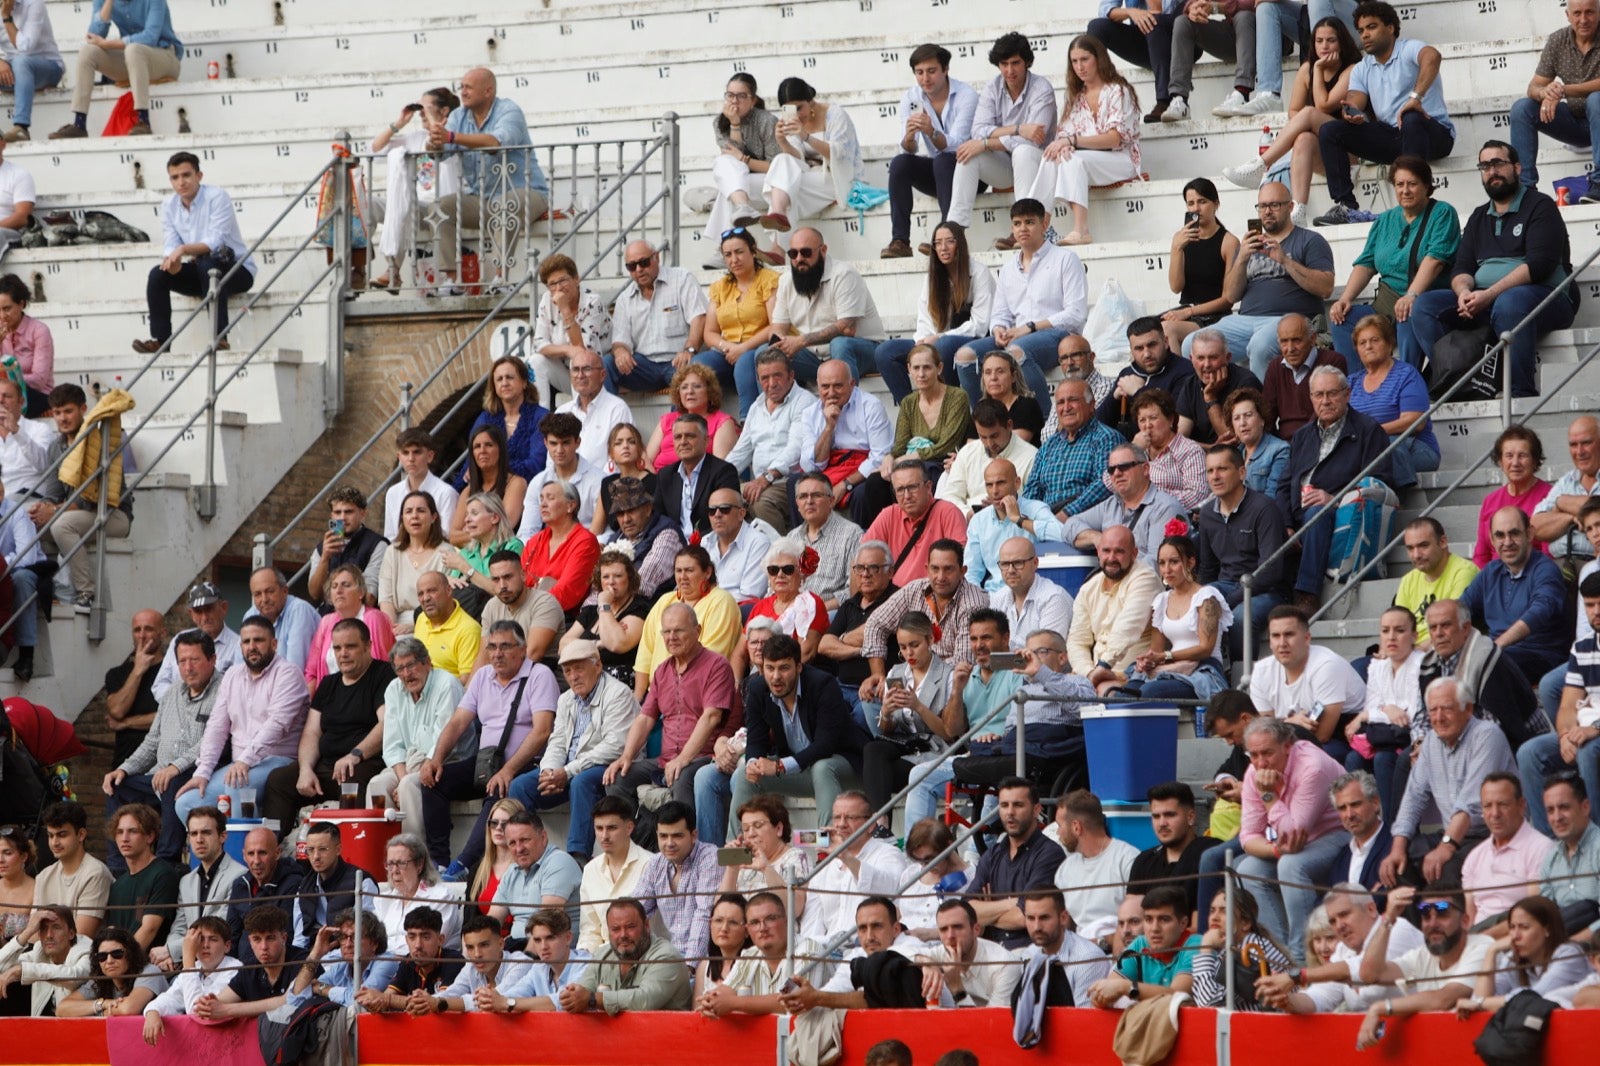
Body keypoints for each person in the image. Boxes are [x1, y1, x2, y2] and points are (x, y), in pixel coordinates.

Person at [1409, 140, 1578, 399]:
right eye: (1485, 166)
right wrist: (1464, 291)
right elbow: (1462, 267)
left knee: (1511, 302)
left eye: (1498, 163)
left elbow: (1539, 265)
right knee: (1424, 306)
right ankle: (1459, 381)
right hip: (1486, 301)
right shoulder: (1479, 217)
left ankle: (1520, 391)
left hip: (1546, 297)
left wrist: (1489, 295)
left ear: (1517, 168)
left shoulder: (1540, 206)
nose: (1492, 171)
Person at [424, 620, 558, 877]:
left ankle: (461, 866)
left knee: (498, 789)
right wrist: (435, 758)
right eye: (492, 647)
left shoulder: (539, 675)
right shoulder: (483, 676)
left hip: (524, 765)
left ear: (522, 649)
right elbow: (458, 722)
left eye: (505, 647)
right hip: (486, 763)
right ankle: (439, 861)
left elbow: (542, 731)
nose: (497, 654)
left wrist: (508, 770)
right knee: (433, 782)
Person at [1315, 2, 1455, 227]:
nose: (1365, 35)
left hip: (1434, 133)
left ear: (1391, 28)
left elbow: (1433, 57)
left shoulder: (1408, 48)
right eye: (1361, 30)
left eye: (1371, 27)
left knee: (1411, 118)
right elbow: (1354, 100)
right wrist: (1350, 112)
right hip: (1394, 136)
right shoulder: (1363, 67)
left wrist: (1415, 99)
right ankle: (1346, 207)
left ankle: (1414, 203)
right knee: (1331, 130)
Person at [1224, 15, 1362, 222]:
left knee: (1309, 114)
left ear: (1341, 42)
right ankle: (1298, 209)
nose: (1324, 46)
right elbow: (1293, 112)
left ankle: (1261, 164)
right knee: (1303, 138)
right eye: (1319, 41)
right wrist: (1309, 125)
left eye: (1331, 40)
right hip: (1323, 151)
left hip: (1350, 150)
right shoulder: (1306, 69)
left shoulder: (1352, 69)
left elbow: (1323, 105)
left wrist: (1318, 70)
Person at [509, 640, 639, 860]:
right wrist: (549, 771)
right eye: (567, 671)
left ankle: (577, 857)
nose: (573, 676)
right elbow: (557, 741)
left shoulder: (618, 694)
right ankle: (530, 852)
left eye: (579, 668)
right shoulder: (566, 699)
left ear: (597, 666)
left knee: (582, 782)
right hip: (568, 768)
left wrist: (567, 772)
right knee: (520, 786)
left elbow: (614, 746)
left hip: (608, 766)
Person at [1380, 677, 1517, 887]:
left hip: (1491, 835)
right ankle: (1413, 920)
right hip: (1452, 835)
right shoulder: (1431, 742)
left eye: (1447, 709)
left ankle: (1438, 914)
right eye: (1433, 710)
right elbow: (1413, 798)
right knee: (1398, 866)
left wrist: (1445, 848)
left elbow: (1472, 803)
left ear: (1468, 709)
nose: (1439, 717)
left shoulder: (1487, 736)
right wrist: (1397, 849)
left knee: (1444, 870)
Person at [263, 618, 392, 834]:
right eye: (337, 648)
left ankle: (350, 852)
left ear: (368, 646)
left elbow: (386, 723)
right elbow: (312, 732)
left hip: (364, 763)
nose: (343, 653)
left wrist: (355, 755)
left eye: (350, 646)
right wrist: (305, 769)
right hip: (326, 767)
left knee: (352, 780)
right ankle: (271, 849)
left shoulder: (383, 674)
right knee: (278, 780)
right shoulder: (328, 684)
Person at [1281, 365, 1395, 610]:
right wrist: (1286, 524)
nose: (1325, 401)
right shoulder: (1302, 436)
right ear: (1311, 398)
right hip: (1297, 513)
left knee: (1317, 514)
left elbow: (1380, 480)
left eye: (1332, 393)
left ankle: (1307, 595)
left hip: (1341, 510)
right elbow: (1283, 484)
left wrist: (1334, 498)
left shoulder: (1368, 430)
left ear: (1347, 394)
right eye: (1319, 395)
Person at [103, 630, 218, 872]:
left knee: (171, 783)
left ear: (212, 659)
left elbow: (214, 740)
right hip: (160, 774)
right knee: (116, 786)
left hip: (198, 773)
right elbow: (152, 741)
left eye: (194, 660)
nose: (188, 667)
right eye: (182, 661)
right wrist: (123, 768)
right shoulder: (172, 693)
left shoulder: (225, 689)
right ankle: (118, 866)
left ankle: (166, 862)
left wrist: (174, 767)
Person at [952, 198, 1084, 411]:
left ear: (1044, 225)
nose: (1023, 228)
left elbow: (1075, 314)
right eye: (1017, 223)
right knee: (964, 356)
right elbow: (1000, 314)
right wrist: (997, 330)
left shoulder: (1066, 259)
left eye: (1029, 222)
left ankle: (1045, 423)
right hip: (1017, 336)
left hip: (1057, 334)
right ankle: (985, 421)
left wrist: (1029, 327)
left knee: (1016, 352)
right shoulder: (1008, 269)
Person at [1235, 717, 1351, 955]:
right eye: (1253, 755)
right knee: (1246, 868)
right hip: (1297, 844)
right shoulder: (1253, 772)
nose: (1260, 763)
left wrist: (1268, 794)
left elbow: (1293, 832)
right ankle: (1279, 954)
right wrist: (1275, 850)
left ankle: (1301, 954)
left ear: (1287, 746)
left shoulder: (1312, 766)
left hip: (1339, 835)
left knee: (1290, 865)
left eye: (1267, 753)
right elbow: (1248, 837)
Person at [1327, 158, 1459, 367]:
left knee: (1408, 312)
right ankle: (1356, 388)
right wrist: (1345, 298)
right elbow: (1367, 262)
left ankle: (1407, 382)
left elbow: (1435, 259)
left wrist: (1411, 295)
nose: (1405, 190)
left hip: (1424, 299)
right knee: (1342, 319)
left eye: (1412, 184)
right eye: (1399, 184)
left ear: (1427, 186)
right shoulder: (1385, 220)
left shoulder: (1442, 213)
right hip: (1386, 304)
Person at [175, 618, 307, 823]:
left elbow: (277, 725)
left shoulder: (288, 674)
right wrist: (202, 772)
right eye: (246, 642)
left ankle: (247, 852)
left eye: (258, 640)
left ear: (274, 644)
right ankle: (215, 852)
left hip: (279, 760)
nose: (251, 647)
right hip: (240, 765)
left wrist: (246, 760)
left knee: (237, 786)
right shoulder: (232, 676)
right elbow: (216, 727)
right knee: (187, 802)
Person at [732, 632, 866, 835]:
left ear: (799, 667)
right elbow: (756, 740)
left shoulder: (823, 684)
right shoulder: (758, 689)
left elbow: (825, 745)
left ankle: (828, 848)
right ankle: (735, 854)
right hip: (801, 772)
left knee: (822, 767)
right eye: (770, 668)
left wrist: (778, 766)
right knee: (744, 773)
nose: (775, 677)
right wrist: (753, 763)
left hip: (844, 768)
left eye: (784, 668)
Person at [1200, 181, 1336, 379]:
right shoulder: (1248, 246)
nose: (1267, 211)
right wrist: (1242, 259)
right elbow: (1230, 295)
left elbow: (1326, 288)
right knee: (1192, 344)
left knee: (1260, 345)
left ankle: (1263, 408)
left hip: (1290, 319)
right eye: (1262, 206)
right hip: (1246, 320)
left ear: (1290, 207)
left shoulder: (1310, 240)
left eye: (1274, 205)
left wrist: (1285, 261)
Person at [430, 67, 546, 290]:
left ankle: (501, 279)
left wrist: (450, 136)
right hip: (483, 199)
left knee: (505, 204)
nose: (462, 92)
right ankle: (452, 282)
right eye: (461, 87)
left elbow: (495, 143)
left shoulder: (509, 110)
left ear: (488, 91)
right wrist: (433, 142)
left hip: (530, 193)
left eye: (468, 87)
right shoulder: (458, 116)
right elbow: (443, 152)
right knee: (442, 207)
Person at [129, 153, 254, 355]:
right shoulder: (169, 205)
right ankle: (161, 341)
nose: (181, 182)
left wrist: (183, 250)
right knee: (158, 274)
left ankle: (220, 337)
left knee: (208, 265)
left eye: (186, 175)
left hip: (236, 270)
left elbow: (215, 241)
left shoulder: (217, 197)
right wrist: (173, 261)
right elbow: (171, 242)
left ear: (199, 176)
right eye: (175, 177)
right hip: (202, 270)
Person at [1025, 35, 1140, 247]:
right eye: (1074, 61)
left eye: (1084, 59)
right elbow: (1063, 137)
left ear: (1099, 59)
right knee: (1052, 156)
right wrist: (1063, 145)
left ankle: (1081, 230)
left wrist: (1072, 141)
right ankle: (1036, 225)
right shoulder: (1077, 96)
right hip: (1089, 160)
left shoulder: (1117, 90)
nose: (1079, 66)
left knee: (1072, 159)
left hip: (1121, 160)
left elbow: (1115, 139)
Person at [1353, 884, 1494, 1051]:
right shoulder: (1421, 955)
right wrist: (1389, 919)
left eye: (1442, 914)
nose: (1432, 923)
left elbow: (1444, 999)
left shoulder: (1482, 946)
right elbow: (1369, 974)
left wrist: (1380, 1008)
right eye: (1426, 916)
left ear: (1465, 921)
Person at [948, 32, 1057, 239]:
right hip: (1006, 165)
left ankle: (1022, 227)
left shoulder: (1042, 89)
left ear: (1027, 62)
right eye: (1004, 64)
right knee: (968, 153)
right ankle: (954, 231)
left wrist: (987, 143)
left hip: (1039, 164)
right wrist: (1017, 129)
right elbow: (978, 129)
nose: (1009, 70)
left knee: (1023, 151)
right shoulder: (993, 86)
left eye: (1015, 63)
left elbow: (1033, 138)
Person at [364, 638, 467, 847]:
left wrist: (404, 780)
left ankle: (415, 855)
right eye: (400, 668)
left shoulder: (446, 684)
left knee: (409, 786)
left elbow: (443, 742)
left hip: (447, 760)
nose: (406, 674)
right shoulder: (394, 689)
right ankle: (380, 855)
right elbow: (392, 744)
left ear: (427, 662)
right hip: (409, 762)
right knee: (376, 785)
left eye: (411, 665)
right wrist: (402, 776)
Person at [860, 539, 989, 704]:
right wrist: (878, 674)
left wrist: (915, 671)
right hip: (913, 673)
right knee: (871, 697)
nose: (941, 577)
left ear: (963, 571)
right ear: (927, 569)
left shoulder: (973, 604)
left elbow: (962, 662)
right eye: (935, 569)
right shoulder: (915, 589)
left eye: (948, 569)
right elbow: (875, 624)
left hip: (951, 683)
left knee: (898, 698)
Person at [757, 227, 884, 394]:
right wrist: (779, 341)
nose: (799, 259)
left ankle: (849, 408)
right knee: (765, 354)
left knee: (840, 344)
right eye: (793, 254)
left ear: (823, 250)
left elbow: (844, 327)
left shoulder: (844, 275)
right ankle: (773, 415)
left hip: (861, 351)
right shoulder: (786, 280)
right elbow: (778, 326)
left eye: (806, 252)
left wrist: (801, 341)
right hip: (814, 357)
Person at [880, 45, 979, 259]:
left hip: (969, 173)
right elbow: (910, 148)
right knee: (900, 163)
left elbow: (958, 144)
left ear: (945, 69)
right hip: (939, 173)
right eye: (919, 72)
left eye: (932, 71)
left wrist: (932, 132)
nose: (925, 78)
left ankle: (945, 236)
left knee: (944, 159)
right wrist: (908, 137)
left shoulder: (966, 95)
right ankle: (900, 241)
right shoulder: (911, 97)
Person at [1419, 598, 1549, 757]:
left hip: (1516, 742)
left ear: (1466, 628)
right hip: (1458, 739)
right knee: (1409, 759)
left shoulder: (1488, 661)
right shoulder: (1428, 663)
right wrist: (1420, 742)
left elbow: (1494, 730)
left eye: (1446, 626)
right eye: (1433, 628)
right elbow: (1423, 714)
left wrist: (1443, 746)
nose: (1438, 634)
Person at [754, 77, 865, 262]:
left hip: (838, 178)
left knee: (786, 187)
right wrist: (782, 141)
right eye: (791, 109)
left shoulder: (835, 114)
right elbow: (796, 158)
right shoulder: (790, 122)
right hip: (811, 179)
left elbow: (840, 155)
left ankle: (779, 248)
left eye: (800, 107)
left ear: (810, 101)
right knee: (783, 161)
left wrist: (806, 136)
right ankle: (778, 214)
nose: (797, 114)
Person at [1195, 442, 1289, 655]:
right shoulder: (1208, 513)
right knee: (1193, 607)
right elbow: (1208, 570)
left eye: (1222, 469)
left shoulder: (1264, 509)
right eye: (1210, 470)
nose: (1215, 476)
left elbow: (1271, 572)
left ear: (1241, 472)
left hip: (1267, 591)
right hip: (1226, 585)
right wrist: (1203, 597)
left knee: (1239, 618)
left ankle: (1241, 681)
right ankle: (1209, 670)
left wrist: (1227, 601)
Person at [1460, 507, 1569, 686]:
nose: (1507, 542)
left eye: (1514, 533)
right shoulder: (1490, 572)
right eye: (1500, 535)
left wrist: (1496, 646)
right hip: (1500, 654)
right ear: (1492, 540)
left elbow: (1539, 611)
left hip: (1542, 656)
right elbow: (1460, 609)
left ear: (1530, 534)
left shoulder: (1545, 570)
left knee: (1489, 664)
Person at [367, 85, 462, 293]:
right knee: (368, 204)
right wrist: (399, 123)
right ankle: (361, 269)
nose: (420, 113)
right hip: (416, 207)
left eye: (425, 107)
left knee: (404, 204)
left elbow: (440, 143)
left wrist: (432, 119)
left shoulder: (455, 136)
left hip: (443, 207)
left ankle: (392, 270)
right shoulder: (416, 137)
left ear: (444, 111)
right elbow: (376, 149)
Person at [1122, 535, 1231, 704]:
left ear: (1191, 562)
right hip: (1171, 667)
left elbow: (1205, 649)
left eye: (1174, 562)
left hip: (1202, 669)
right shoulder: (1161, 600)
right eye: (1162, 563)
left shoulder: (1206, 597)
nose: (1167, 569)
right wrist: (1149, 660)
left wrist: (1165, 656)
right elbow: (1156, 650)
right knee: (1123, 695)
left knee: (1149, 691)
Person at [50, 0, 179, 140]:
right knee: (87, 52)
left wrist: (107, 44)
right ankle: (79, 124)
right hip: (133, 60)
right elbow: (94, 35)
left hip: (164, 56)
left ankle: (143, 121)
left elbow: (150, 37)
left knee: (134, 49)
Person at [1250, 605, 1367, 757]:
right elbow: (1264, 729)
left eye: (1289, 634)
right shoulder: (1261, 671)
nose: (1282, 643)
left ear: (1306, 638)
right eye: (1276, 636)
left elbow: (1322, 735)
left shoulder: (1327, 666)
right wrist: (1289, 723)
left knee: (1302, 755)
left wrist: (1285, 727)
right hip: (1298, 738)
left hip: (1346, 736)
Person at [963, 778, 1066, 950]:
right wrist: (1014, 902)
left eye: (1018, 805)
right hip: (991, 951)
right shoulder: (991, 855)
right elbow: (966, 913)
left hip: (1032, 952)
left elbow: (1024, 917)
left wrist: (986, 911)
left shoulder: (1049, 854)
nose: (1010, 812)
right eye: (1004, 805)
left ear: (1036, 810)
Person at [791, 357, 893, 528]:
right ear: (818, 386)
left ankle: (863, 545)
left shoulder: (871, 406)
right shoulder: (810, 413)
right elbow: (811, 465)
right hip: (832, 468)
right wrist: (829, 427)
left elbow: (880, 456)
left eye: (838, 386)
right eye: (825, 387)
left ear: (852, 384)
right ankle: (803, 543)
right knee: (795, 482)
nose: (831, 393)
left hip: (861, 471)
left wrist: (845, 485)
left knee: (866, 490)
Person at [797, 793, 908, 946]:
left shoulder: (888, 853)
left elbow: (887, 891)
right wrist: (808, 951)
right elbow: (812, 924)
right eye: (837, 817)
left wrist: (845, 856)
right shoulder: (825, 866)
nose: (841, 824)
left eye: (851, 818)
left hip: (868, 948)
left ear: (870, 824)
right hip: (827, 951)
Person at [1512, 0, 1600, 188]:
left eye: (1589, 12)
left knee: (1596, 99)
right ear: (1567, 15)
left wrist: (1563, 90)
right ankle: (1525, 190)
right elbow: (1533, 87)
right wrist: (1546, 92)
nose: (1583, 19)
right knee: (1522, 108)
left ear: (1599, 13)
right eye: (1577, 13)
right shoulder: (1558, 40)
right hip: (1576, 123)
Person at [1349, 608, 1427, 819]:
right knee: (1353, 758)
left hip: (1413, 736)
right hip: (1386, 736)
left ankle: (1393, 828)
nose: (1391, 637)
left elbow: (1411, 715)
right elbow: (1371, 706)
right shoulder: (1377, 666)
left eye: (1399, 630)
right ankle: (1362, 824)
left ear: (1414, 635)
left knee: (1384, 759)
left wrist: (1371, 714)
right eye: (1385, 630)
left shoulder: (1422, 664)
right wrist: (1387, 710)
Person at [1457, 896, 1590, 1019]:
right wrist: (1491, 952)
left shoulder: (1569, 954)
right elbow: (1477, 1001)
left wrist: (1480, 1003)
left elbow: (1533, 999)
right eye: (1512, 927)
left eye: (1524, 927)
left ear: (1547, 929)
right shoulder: (1512, 959)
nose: (1515, 936)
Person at [604, 239, 708, 395]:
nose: (638, 269)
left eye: (644, 262)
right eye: (632, 266)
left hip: (678, 361)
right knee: (606, 364)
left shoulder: (681, 279)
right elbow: (620, 340)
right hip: (643, 367)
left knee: (687, 378)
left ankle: (677, 420)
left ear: (657, 258)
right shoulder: (624, 299)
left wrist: (689, 350)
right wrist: (620, 352)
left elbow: (699, 318)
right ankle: (606, 418)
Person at [727, 351, 815, 534]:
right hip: (761, 482)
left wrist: (767, 477)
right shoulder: (757, 406)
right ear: (758, 381)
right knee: (716, 498)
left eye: (777, 376)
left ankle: (782, 554)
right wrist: (715, 476)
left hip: (790, 482)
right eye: (765, 378)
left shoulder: (805, 402)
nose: (772, 383)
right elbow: (741, 451)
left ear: (791, 376)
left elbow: (795, 449)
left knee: (760, 503)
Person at [873, 345, 972, 508]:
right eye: (916, 368)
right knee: (874, 483)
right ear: (909, 370)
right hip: (913, 465)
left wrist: (907, 458)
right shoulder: (908, 402)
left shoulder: (957, 397)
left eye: (927, 367)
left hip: (944, 464)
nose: (921, 374)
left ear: (939, 368)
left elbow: (946, 446)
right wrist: (890, 458)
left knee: (923, 473)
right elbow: (900, 446)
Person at [1066, 526, 1160, 697]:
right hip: (1096, 675)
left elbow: (1126, 629)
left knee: (1105, 692)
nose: (1111, 558)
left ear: (1134, 553)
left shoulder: (1145, 578)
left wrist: (1103, 666)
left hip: (1134, 675)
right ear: (1098, 552)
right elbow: (1077, 641)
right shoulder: (1088, 588)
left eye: (1119, 552)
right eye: (1106, 551)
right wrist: (1089, 674)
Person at [634, 545, 742, 691]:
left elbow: (709, 659)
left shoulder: (721, 601)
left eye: (689, 570)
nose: (682, 577)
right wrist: (639, 700)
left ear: (708, 572)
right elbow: (645, 653)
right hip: (654, 694)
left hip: (696, 695)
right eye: (678, 571)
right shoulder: (665, 600)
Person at [561, 897, 692, 1013]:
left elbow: (644, 1000)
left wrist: (592, 999)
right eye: (616, 929)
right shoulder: (602, 955)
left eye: (630, 927)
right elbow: (582, 992)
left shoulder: (667, 957)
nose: (623, 935)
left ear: (646, 925)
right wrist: (572, 997)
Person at [700, 73, 781, 258]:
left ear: (752, 100)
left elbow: (776, 167)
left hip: (769, 182)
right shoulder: (720, 123)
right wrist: (734, 124)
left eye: (741, 96)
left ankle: (724, 248)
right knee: (724, 163)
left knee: (726, 189)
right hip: (742, 185)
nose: (734, 101)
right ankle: (742, 206)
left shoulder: (767, 121)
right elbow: (731, 161)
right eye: (730, 95)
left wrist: (745, 160)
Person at [1460, 773, 1554, 929]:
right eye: (1488, 806)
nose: (1495, 814)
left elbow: (1534, 915)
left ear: (1521, 805)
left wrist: (1483, 939)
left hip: (1518, 937)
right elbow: (1469, 917)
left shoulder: (1541, 848)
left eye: (1503, 804)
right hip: (1477, 939)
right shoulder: (1475, 856)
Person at [700, 228, 780, 407]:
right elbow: (710, 333)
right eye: (727, 255)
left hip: (758, 346)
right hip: (727, 351)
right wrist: (727, 346)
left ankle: (747, 422)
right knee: (697, 366)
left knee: (744, 361)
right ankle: (691, 424)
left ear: (753, 251)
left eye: (739, 252)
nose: (734, 260)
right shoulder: (720, 287)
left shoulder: (769, 280)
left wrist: (743, 348)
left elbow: (775, 325)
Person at [1025, 376, 1124, 520]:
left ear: (1092, 405)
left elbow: (1104, 485)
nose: (1066, 408)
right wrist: (1032, 517)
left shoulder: (1106, 438)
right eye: (1060, 402)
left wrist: (1066, 514)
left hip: (1086, 520)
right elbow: (1032, 488)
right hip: (1046, 521)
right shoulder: (1049, 445)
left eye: (1073, 400)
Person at [158, 807, 243, 970]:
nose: (199, 839)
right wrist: (170, 955)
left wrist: (170, 949)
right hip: (189, 962)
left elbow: (220, 927)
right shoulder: (186, 881)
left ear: (223, 836)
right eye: (193, 833)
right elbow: (179, 926)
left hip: (223, 965)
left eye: (206, 832)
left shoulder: (238, 875)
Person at [1087, 885, 1201, 1006]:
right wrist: (1102, 995)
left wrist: (1126, 987)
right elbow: (1108, 992)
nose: (1154, 928)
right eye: (1148, 919)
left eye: (1164, 919)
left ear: (1183, 923)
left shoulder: (1197, 944)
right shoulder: (1139, 944)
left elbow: (1177, 996)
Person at [1161, 179, 1239, 354]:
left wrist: (1189, 312)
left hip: (1214, 317)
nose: (1196, 208)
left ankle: (1180, 379)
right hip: (1187, 312)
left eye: (1202, 201)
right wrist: (1177, 248)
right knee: (1142, 331)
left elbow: (1228, 299)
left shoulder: (1229, 242)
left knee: (1166, 330)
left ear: (1216, 204)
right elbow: (1176, 287)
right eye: (1191, 203)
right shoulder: (1181, 238)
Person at [1097, 318, 1203, 441]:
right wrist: (1114, 398)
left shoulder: (1185, 371)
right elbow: (1098, 426)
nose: (1147, 354)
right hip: (1131, 450)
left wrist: (1139, 391)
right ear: (1131, 350)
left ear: (1166, 342)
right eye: (1139, 348)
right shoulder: (1127, 374)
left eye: (1152, 345)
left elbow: (1173, 421)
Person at [1053, 790, 1140, 939]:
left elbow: (1140, 923)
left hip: (1120, 953)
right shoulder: (1065, 869)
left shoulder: (1128, 860)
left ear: (1076, 827)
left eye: (1060, 826)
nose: (1058, 833)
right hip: (1076, 952)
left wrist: (1100, 943)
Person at [1129, 782, 1223, 921]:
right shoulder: (1143, 861)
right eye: (1156, 816)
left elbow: (1203, 924)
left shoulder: (1210, 855)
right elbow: (1130, 919)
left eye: (1170, 815)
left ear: (1190, 817)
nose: (1162, 823)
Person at [529, 253, 612, 409]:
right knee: (535, 361)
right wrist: (567, 350)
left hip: (597, 374)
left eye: (563, 280)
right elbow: (539, 344)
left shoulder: (592, 302)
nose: (558, 288)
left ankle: (581, 420)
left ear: (576, 278)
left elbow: (584, 351)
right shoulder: (547, 300)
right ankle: (541, 420)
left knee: (578, 360)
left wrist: (565, 309)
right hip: (568, 373)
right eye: (552, 284)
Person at [967, 465, 1066, 593]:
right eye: (989, 485)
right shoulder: (978, 521)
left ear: (1017, 483)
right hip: (993, 597)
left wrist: (1019, 520)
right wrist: (976, 601)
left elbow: (1062, 534)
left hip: (1032, 592)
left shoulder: (1036, 509)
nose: (994, 491)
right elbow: (971, 572)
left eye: (1000, 483)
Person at [485, 811, 583, 940]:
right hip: (518, 952)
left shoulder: (558, 862)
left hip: (551, 954)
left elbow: (547, 923)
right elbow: (492, 921)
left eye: (524, 840)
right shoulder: (512, 871)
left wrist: (524, 956)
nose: (519, 849)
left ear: (543, 837)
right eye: (512, 843)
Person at [1190, 892, 1293, 1008]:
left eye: (1224, 911)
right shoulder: (1228, 949)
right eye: (1212, 911)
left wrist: (1206, 949)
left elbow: (1208, 1002)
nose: (1214, 917)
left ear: (1245, 923)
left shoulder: (1255, 948)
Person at [652, 413, 741, 543]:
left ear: (706, 441)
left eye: (690, 436)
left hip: (711, 542)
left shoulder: (723, 471)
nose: (683, 442)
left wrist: (695, 544)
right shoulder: (666, 475)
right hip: (674, 543)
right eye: (678, 437)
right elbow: (658, 518)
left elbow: (726, 518)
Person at [1166, 0, 1260, 121]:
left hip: (1266, 33)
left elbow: (1252, 4)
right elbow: (1190, 3)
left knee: (1243, 16)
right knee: (1183, 22)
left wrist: (1217, 7)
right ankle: (1180, 100)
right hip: (1234, 35)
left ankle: (1242, 94)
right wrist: (1193, 8)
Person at [1392, 518, 1479, 647]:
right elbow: (1397, 628)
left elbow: (1452, 630)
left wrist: (1412, 654)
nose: (1416, 555)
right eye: (1410, 548)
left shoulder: (1464, 573)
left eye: (1423, 546)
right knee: (1359, 665)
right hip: (1411, 652)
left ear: (1443, 542)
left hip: (1444, 651)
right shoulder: (1408, 580)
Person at [1260, 314, 1348, 441]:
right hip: (1284, 445)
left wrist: (1298, 444)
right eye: (1284, 341)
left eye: (1296, 340)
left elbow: (1328, 413)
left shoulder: (1333, 361)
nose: (1290, 349)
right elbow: (1267, 415)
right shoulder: (1275, 367)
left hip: (1320, 440)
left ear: (1312, 338)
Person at [519, 481, 601, 616]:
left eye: (550, 498)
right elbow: (520, 581)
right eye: (541, 499)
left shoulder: (585, 542)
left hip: (563, 618)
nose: (543, 504)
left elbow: (567, 591)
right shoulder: (535, 541)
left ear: (570, 506)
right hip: (528, 612)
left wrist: (527, 607)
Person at [104, 805, 179, 952]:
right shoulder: (117, 885)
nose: (124, 838)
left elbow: (150, 929)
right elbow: (112, 932)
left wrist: (124, 961)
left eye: (133, 831)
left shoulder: (163, 874)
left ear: (150, 836)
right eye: (119, 832)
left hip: (149, 964)